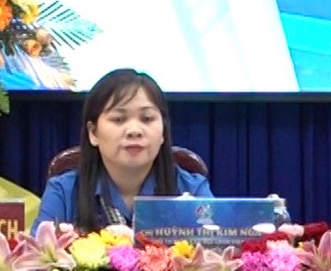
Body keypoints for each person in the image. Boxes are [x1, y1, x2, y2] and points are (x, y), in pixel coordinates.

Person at [33, 68, 213, 231]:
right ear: (93, 133)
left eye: (147, 118)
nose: (134, 130)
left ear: (163, 131)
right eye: (119, 119)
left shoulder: (194, 190)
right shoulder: (63, 192)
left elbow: (218, 251)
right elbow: (38, 254)